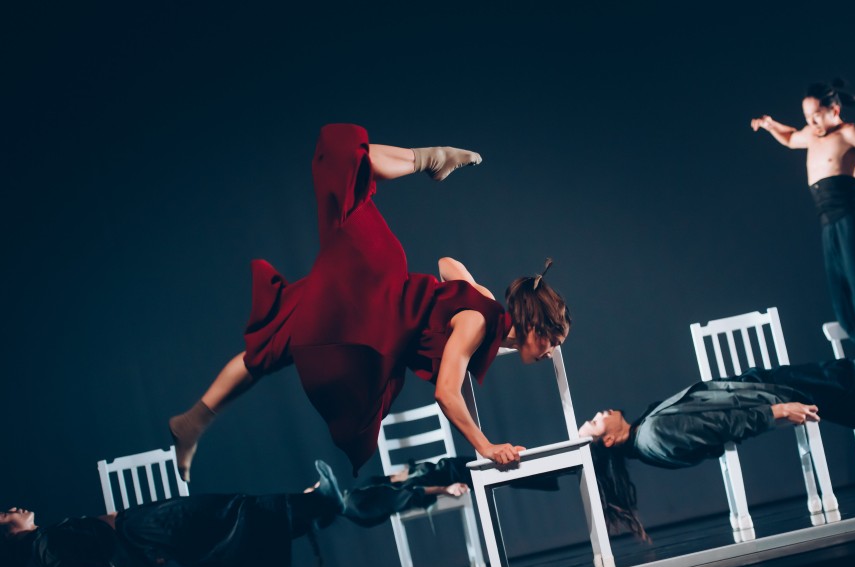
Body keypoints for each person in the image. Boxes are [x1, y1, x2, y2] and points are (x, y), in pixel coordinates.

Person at [169, 124, 571, 481]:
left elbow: (448, 266)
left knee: (279, 337)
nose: (552, 349)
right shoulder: (479, 323)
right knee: (348, 169)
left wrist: (454, 295)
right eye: (553, 340)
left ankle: (194, 421)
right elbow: (447, 392)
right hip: (375, 291)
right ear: (534, 326)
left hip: (366, 317)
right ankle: (432, 158)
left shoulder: (483, 309)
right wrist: (485, 445)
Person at [578, 340, 855, 540]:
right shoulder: (653, 435)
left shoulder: (647, 431)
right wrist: (777, 411)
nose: (598, 414)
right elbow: (719, 426)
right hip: (768, 397)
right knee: (850, 377)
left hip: (760, 389)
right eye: (594, 423)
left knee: (848, 397)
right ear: (609, 442)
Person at [0, 461, 345, 567]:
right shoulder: (44, 547)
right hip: (143, 533)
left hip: (141, 525)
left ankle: (313, 509)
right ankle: (314, 504)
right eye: (3, 514)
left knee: (225, 523)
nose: (11, 507)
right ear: (7, 533)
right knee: (225, 514)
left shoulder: (44, 541)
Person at [751, 79, 855, 369]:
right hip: (830, 229)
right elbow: (790, 138)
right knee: (847, 316)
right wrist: (770, 124)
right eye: (806, 117)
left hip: (854, 223)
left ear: (834, 109)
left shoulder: (852, 133)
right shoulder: (811, 136)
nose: (811, 122)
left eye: (816, 114)